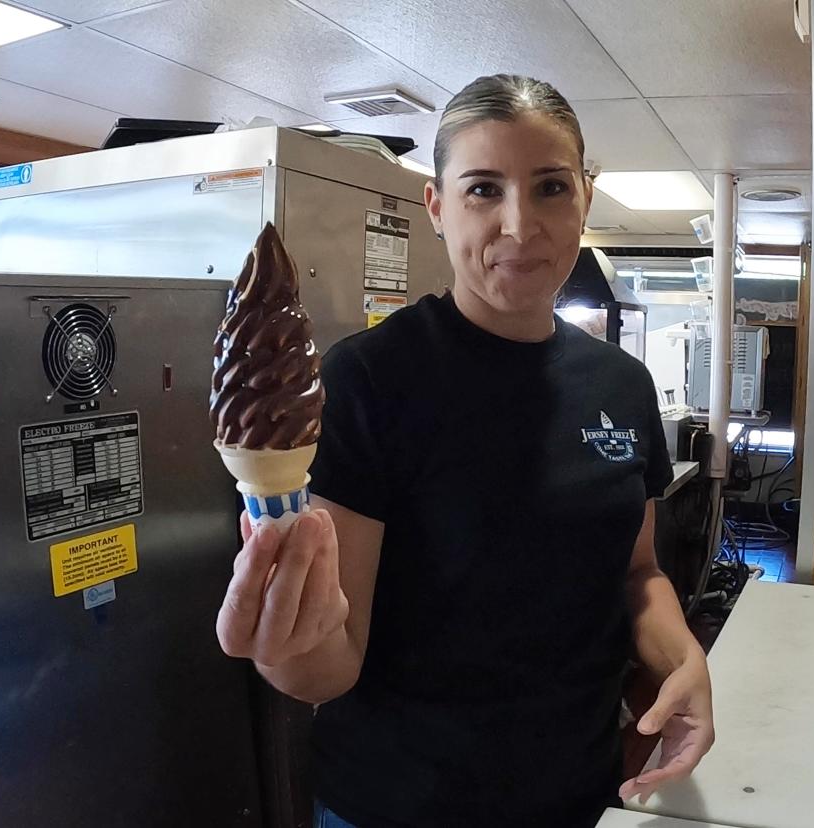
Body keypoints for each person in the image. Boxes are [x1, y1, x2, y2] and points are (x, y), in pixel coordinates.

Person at [216, 74, 715, 828]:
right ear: (438, 208)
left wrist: (683, 659)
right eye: (484, 189)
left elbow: (638, 574)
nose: (520, 225)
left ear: (585, 195)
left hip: (584, 796)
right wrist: (285, 645)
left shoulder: (622, 384)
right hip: (399, 806)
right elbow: (329, 664)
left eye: (550, 187)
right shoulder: (369, 380)